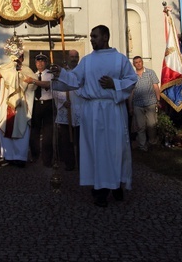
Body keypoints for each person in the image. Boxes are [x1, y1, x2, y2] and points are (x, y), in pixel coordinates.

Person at [50, 25, 137, 207]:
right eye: (90, 36)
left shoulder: (119, 59)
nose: (91, 39)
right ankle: (100, 189)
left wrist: (115, 83)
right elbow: (75, 79)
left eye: (95, 36)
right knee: (96, 150)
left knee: (114, 149)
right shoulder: (87, 61)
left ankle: (116, 184)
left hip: (113, 108)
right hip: (92, 110)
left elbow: (131, 80)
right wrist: (61, 74)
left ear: (105, 36)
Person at [0, 36, 36, 167]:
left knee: (22, 130)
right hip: (8, 105)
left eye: (19, 56)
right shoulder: (5, 68)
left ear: (22, 58)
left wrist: (21, 79)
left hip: (21, 106)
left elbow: (33, 85)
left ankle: (20, 157)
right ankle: (9, 156)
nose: (17, 59)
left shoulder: (27, 70)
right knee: (7, 128)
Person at [53, 50, 81, 171]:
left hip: (80, 110)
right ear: (68, 58)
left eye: (76, 57)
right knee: (66, 139)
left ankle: (82, 163)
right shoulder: (61, 73)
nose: (74, 59)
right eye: (72, 57)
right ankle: (69, 163)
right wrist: (63, 101)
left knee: (81, 140)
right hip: (66, 109)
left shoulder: (82, 72)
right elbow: (55, 89)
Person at [129, 56, 160, 151]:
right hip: (137, 104)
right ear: (134, 64)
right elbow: (131, 92)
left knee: (152, 124)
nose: (138, 64)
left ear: (142, 62)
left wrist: (158, 100)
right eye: (136, 62)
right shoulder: (132, 76)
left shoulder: (150, 72)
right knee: (140, 126)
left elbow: (155, 87)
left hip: (150, 102)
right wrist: (130, 106)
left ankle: (152, 142)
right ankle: (142, 146)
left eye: (139, 62)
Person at [29, 53, 54, 167]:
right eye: (38, 61)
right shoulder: (33, 75)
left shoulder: (50, 74)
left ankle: (47, 158)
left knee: (48, 133)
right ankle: (35, 155)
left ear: (46, 62)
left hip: (48, 104)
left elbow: (47, 84)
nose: (40, 63)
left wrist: (34, 81)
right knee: (34, 132)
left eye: (42, 61)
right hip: (36, 104)